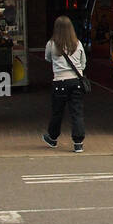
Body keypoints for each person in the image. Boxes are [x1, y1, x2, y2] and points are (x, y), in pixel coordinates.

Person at [42, 15, 87, 152]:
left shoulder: (51, 44)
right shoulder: (77, 43)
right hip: (76, 82)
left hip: (59, 82)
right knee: (76, 112)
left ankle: (53, 138)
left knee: (57, 112)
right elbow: (83, 63)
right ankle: (78, 143)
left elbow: (47, 58)